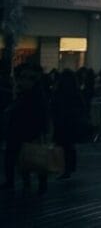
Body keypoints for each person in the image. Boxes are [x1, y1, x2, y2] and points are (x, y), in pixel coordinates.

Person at [3, 65, 49, 194]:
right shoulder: (26, 94)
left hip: (26, 130)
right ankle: (28, 182)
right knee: (24, 156)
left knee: (28, 156)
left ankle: (30, 182)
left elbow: (40, 115)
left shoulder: (32, 96)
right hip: (21, 130)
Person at [51, 69, 85, 180]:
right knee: (69, 146)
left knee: (63, 146)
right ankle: (69, 167)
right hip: (72, 122)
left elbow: (54, 106)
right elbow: (81, 107)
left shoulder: (59, 92)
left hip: (61, 122)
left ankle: (63, 168)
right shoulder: (75, 92)